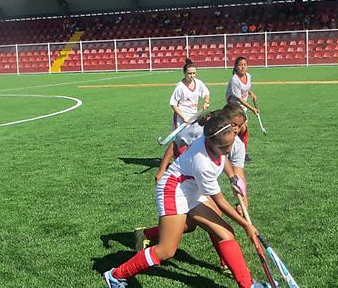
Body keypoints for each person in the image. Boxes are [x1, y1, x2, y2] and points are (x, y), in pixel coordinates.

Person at [104, 114, 263, 288]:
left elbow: (223, 157)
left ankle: (248, 285)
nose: (229, 149)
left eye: (231, 143)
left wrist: (233, 177)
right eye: (225, 146)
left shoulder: (214, 140)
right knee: (165, 251)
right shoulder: (202, 162)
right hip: (173, 191)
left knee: (226, 233)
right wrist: (246, 225)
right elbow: (220, 202)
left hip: (191, 190)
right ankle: (115, 275)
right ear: (211, 143)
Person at [138, 104, 250, 274]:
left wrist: (236, 182)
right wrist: (162, 169)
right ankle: (225, 262)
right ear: (224, 121)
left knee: (190, 226)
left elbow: (233, 166)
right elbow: (175, 144)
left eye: (239, 125)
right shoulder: (207, 135)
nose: (237, 129)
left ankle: (146, 233)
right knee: (213, 222)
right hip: (182, 185)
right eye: (234, 124)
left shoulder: (232, 141)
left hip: (194, 186)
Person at [155, 59, 210, 182]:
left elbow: (206, 93)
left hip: (194, 117)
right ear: (184, 73)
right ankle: (171, 165)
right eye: (189, 73)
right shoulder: (180, 87)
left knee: (192, 139)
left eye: (194, 73)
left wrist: (206, 101)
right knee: (179, 140)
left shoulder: (198, 83)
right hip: (181, 118)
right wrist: (184, 117)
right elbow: (173, 104)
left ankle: (185, 160)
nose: (192, 76)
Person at [225, 57, 259, 162]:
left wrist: (251, 93)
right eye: (240, 65)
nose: (243, 67)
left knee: (243, 129)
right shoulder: (234, 79)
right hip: (234, 107)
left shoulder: (248, 76)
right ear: (236, 67)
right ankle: (231, 150)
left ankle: (242, 151)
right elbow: (239, 98)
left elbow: (246, 87)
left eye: (245, 64)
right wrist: (252, 108)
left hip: (242, 107)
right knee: (241, 128)